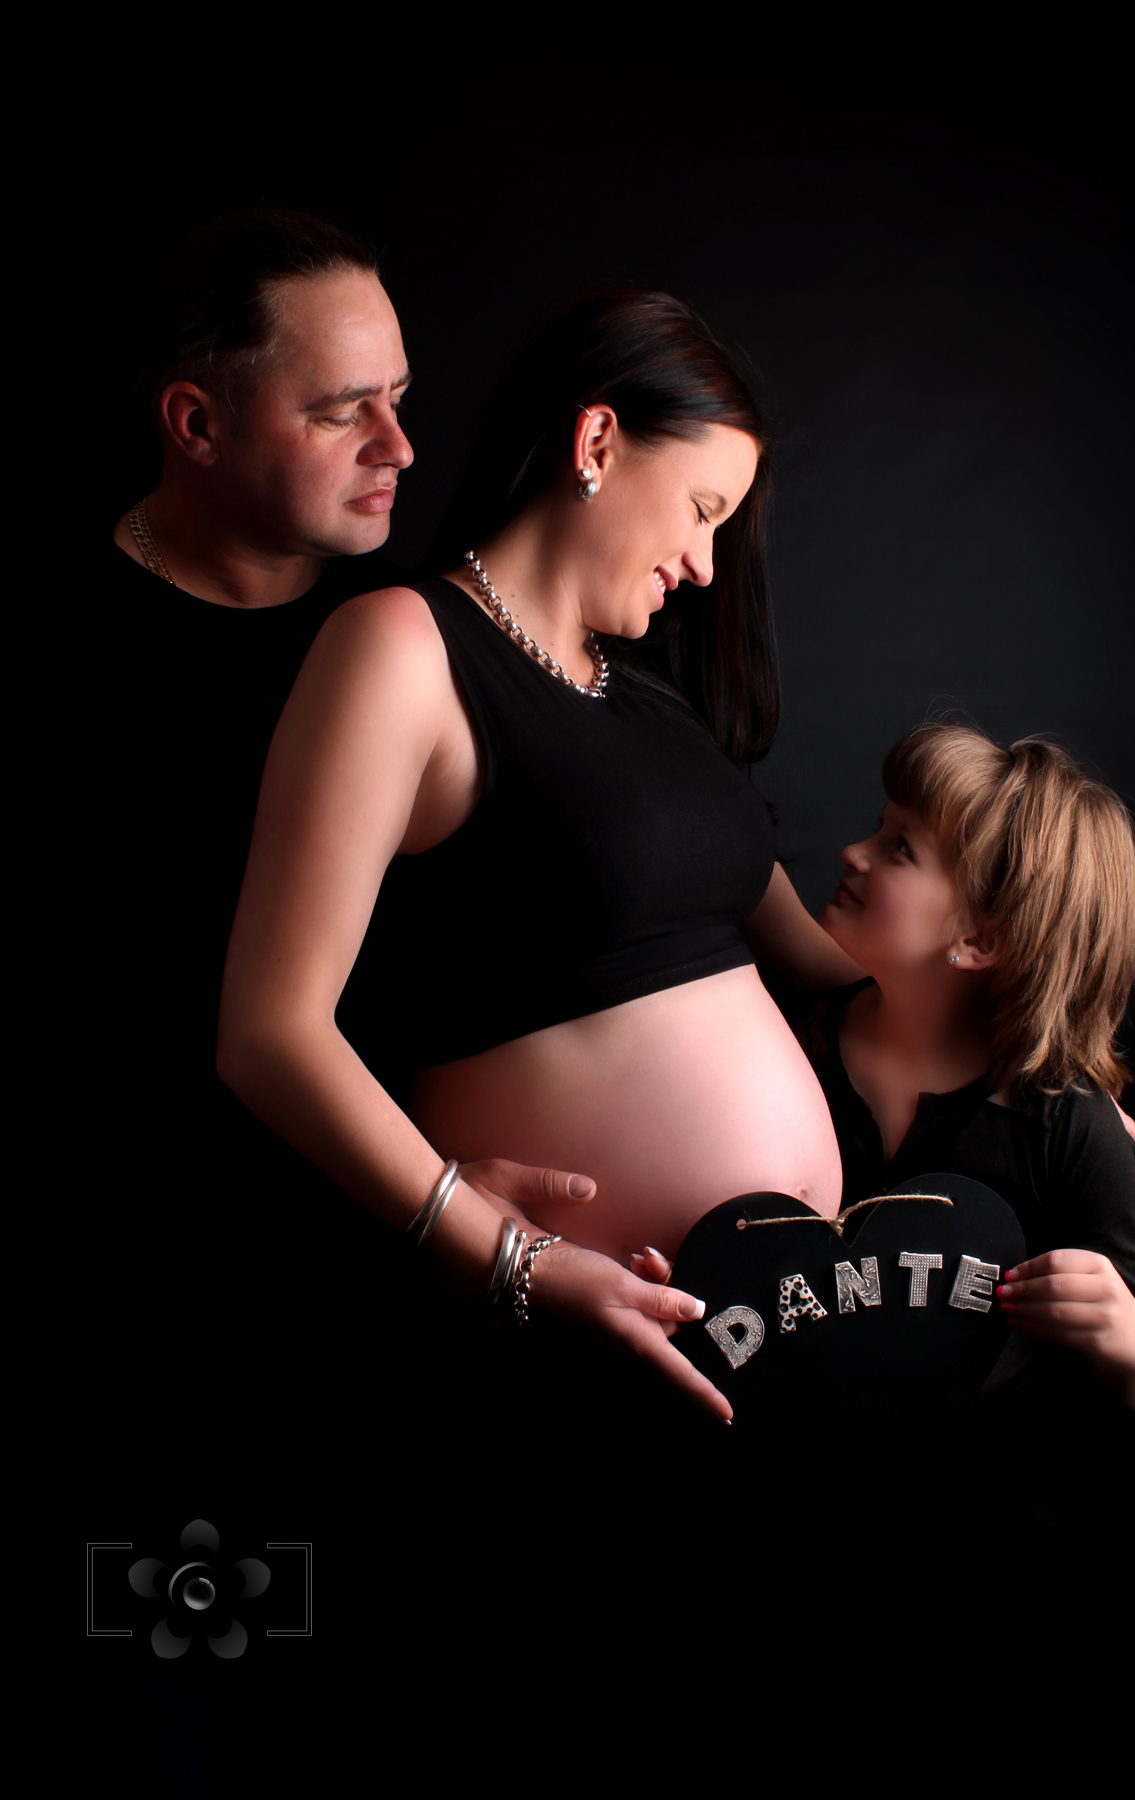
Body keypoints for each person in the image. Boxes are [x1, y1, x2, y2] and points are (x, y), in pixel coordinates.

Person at [216, 289, 1135, 1442]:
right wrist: (497, 1248)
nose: (708, 565)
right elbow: (270, 1032)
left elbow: (830, 970)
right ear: (597, 443)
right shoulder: (404, 649)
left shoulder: (651, 697)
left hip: (783, 1329)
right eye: (704, 509)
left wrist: (1051, 1087)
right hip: (562, 1322)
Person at [80, 211, 585, 1471]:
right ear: (196, 425)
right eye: (339, 411)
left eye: (400, 398)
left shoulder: (418, 634)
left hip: (405, 1284)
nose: (400, 446)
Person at [786, 721, 1135, 1412]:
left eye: (899, 848)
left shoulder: (1071, 1132)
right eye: (878, 828)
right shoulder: (799, 1043)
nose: (853, 853)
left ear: (978, 939)